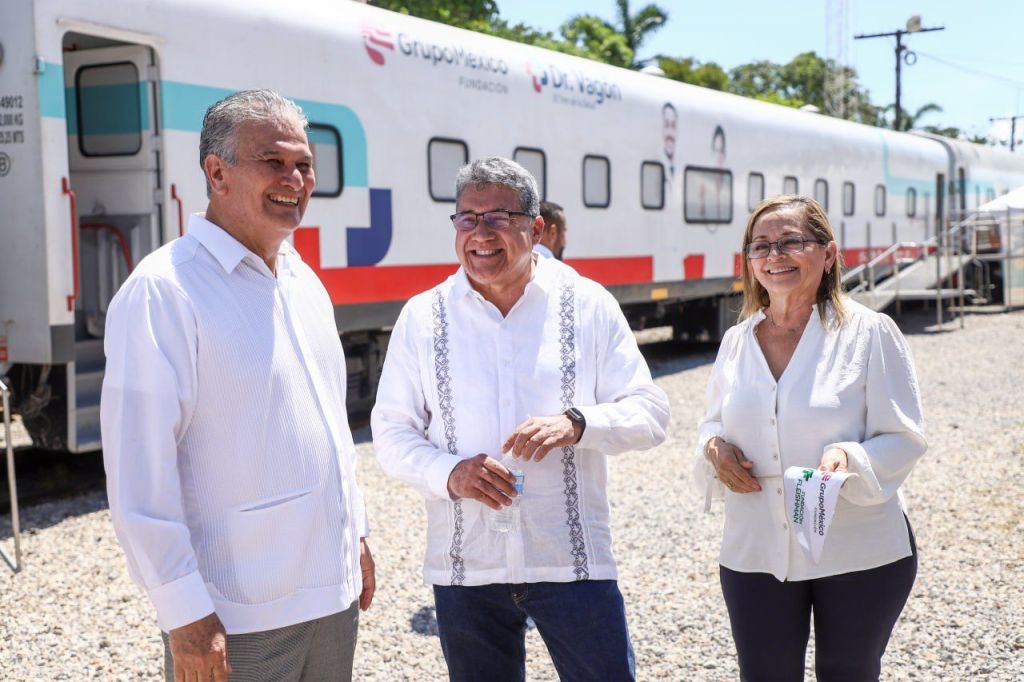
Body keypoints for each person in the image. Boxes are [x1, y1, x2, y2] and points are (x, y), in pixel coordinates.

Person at [101, 89, 375, 682]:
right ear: (217, 172)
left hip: (332, 600)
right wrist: (185, 616)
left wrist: (355, 535)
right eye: (273, 162)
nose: (294, 178)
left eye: (303, 164)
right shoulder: (164, 291)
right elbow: (138, 479)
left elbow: (327, 426)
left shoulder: (302, 279)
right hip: (238, 616)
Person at [372, 157, 670, 681]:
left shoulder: (588, 305)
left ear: (535, 229)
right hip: (467, 566)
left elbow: (651, 413)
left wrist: (577, 424)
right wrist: (450, 473)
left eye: (498, 218)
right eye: (467, 218)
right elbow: (391, 433)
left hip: (570, 562)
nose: (480, 233)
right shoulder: (423, 316)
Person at [694, 195, 926, 681]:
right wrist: (714, 450)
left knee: (846, 672)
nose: (774, 255)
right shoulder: (737, 341)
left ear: (828, 254)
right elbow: (712, 424)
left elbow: (905, 437)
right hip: (755, 548)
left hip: (857, 547)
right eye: (761, 245)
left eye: (791, 242)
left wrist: (849, 454)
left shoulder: (869, 333)